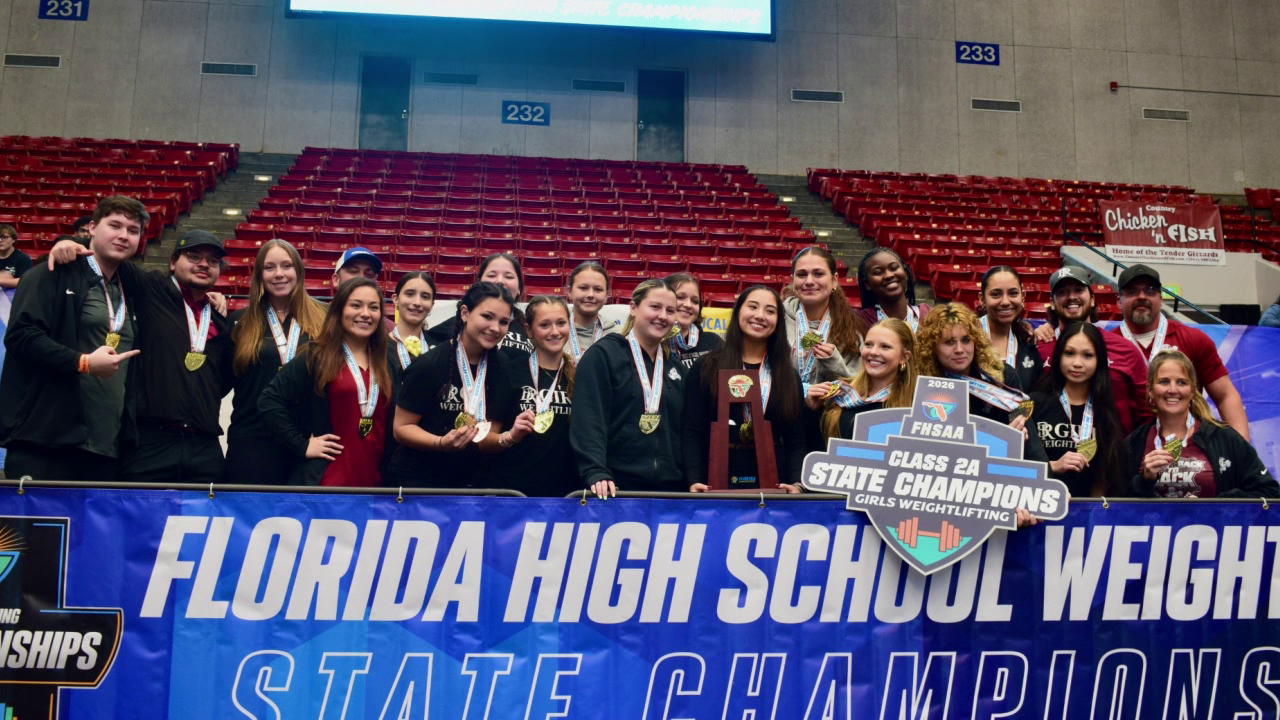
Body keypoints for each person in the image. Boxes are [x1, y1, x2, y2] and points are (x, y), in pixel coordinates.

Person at [0, 197, 146, 480]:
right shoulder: (50, 273)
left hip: (106, 446)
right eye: (114, 225)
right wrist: (82, 362)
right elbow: (21, 336)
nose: (123, 235)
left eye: (133, 230)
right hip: (46, 444)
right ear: (92, 227)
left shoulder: (131, 286)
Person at [259, 278, 393, 486]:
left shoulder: (388, 361)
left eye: (373, 307)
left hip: (377, 484)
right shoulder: (316, 356)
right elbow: (268, 401)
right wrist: (301, 444)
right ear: (339, 310)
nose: (366, 313)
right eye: (356, 305)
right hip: (327, 483)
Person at [388, 282, 518, 488]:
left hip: (470, 483)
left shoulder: (503, 368)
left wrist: (510, 436)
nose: (495, 328)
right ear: (465, 313)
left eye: (504, 322)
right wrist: (440, 443)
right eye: (487, 317)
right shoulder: (429, 364)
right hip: (418, 481)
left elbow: (486, 440)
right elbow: (401, 428)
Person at [682, 286, 806, 492]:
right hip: (712, 483)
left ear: (778, 321)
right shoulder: (706, 367)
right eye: (753, 307)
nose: (760, 316)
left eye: (770, 311)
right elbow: (691, 431)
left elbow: (796, 440)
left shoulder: (788, 376)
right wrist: (693, 479)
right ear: (738, 311)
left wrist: (797, 484)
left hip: (774, 484)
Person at [572, 278, 685, 498]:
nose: (663, 316)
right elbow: (589, 419)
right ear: (633, 308)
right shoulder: (603, 355)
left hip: (670, 491)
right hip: (614, 487)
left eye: (670, 311)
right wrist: (596, 470)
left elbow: (684, 431)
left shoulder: (676, 368)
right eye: (655, 307)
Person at [225, 239, 327, 483]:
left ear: (298, 271)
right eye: (269, 267)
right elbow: (219, 380)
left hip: (307, 442)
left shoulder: (324, 318)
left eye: (287, 266)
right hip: (252, 441)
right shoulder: (239, 322)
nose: (279, 274)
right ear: (259, 275)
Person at [1113, 264, 1250, 440]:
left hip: (1187, 448)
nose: (1142, 296)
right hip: (1125, 448)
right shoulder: (1105, 345)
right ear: (1119, 301)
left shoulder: (1193, 339)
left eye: (1150, 290)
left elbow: (1225, 396)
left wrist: (1243, 449)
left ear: (1161, 298)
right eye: (1132, 291)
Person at [1127, 350, 1277, 498]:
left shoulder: (1225, 438)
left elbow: (1270, 492)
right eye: (1164, 382)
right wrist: (1143, 481)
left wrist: (1211, 506)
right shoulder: (1134, 443)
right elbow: (1115, 502)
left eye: (1181, 382)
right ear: (1150, 390)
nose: (1172, 390)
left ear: (1192, 391)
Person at [481, 295, 578, 497]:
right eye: (544, 325)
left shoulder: (580, 376)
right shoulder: (509, 372)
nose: (555, 331)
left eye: (561, 323)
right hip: (512, 492)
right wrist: (511, 436)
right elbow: (484, 441)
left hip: (564, 495)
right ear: (528, 330)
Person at [1034, 267, 1149, 434]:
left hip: (1113, 446)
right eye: (1062, 292)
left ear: (1093, 299)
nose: (1071, 296)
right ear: (1052, 302)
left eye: (1079, 290)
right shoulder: (1039, 346)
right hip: (1052, 445)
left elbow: (1145, 409)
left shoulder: (1125, 349)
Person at [1029, 322, 1127, 498]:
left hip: (1085, 511)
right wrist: (1053, 466)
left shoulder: (1106, 411)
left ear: (1099, 360)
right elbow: (1016, 466)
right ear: (1058, 356)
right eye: (1069, 353)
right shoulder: (1034, 404)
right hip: (1038, 506)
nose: (1077, 363)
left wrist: (1091, 510)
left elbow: (1105, 476)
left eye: (1087, 355)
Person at [915, 302, 1036, 427]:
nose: (959, 349)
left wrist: (1016, 434)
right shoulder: (920, 385)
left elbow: (1028, 433)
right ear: (932, 348)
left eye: (966, 340)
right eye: (949, 342)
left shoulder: (1004, 376)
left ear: (976, 342)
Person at [812, 318, 917, 441]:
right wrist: (813, 410)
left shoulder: (914, 407)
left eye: (885, 347)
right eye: (868, 344)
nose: (873, 352)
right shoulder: (841, 393)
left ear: (904, 357)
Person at [784, 246, 866, 386]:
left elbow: (860, 384)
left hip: (834, 400)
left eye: (818, 274)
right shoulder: (775, 320)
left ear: (834, 280)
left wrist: (835, 365)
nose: (809, 281)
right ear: (793, 280)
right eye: (802, 274)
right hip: (782, 400)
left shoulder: (851, 328)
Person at [426, 253, 533, 358]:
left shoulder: (528, 327)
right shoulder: (459, 322)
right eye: (491, 275)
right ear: (478, 284)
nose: (500, 281)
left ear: (519, 288)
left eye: (509, 277)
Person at [978, 266, 1041, 390]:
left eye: (1013, 293)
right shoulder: (965, 338)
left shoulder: (1028, 340)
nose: (1005, 302)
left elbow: (1038, 392)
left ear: (1023, 296)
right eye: (996, 294)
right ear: (982, 299)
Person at [856, 248, 930, 330]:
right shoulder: (860, 322)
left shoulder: (928, 316)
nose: (889, 275)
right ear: (867, 284)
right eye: (878, 272)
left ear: (905, 273)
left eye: (894, 268)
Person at [665, 272, 723, 371]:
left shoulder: (714, 342)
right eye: (680, 297)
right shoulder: (653, 343)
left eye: (695, 301)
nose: (688, 305)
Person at [566, 261, 620, 360]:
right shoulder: (554, 330)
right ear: (569, 292)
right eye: (583, 288)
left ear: (606, 296)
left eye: (598, 289)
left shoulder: (616, 336)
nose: (590, 295)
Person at [389, 271, 436, 378]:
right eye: (410, 294)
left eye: (425, 297)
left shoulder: (438, 348)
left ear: (432, 305)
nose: (417, 303)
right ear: (396, 299)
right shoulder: (379, 347)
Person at [0, 224, 32, 290]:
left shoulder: (23, 258)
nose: (0, 240)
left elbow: (25, 281)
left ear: (13, 240)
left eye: (5, 237)